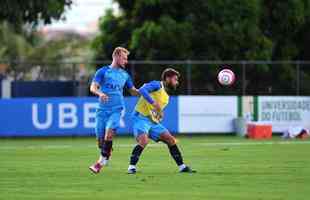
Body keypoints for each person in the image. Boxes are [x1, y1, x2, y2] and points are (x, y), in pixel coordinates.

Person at [127, 68, 196, 174]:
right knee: (144, 141)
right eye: (175, 79)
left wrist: (158, 114)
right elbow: (142, 90)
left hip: (152, 121)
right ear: (167, 78)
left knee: (171, 140)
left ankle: (182, 167)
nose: (176, 82)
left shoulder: (166, 96)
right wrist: (154, 103)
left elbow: (156, 109)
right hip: (140, 117)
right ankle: (131, 167)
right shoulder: (157, 85)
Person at [89, 47, 139, 174]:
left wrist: (145, 92)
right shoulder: (103, 71)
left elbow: (133, 91)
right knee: (101, 142)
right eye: (124, 58)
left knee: (109, 133)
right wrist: (100, 93)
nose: (126, 61)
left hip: (117, 109)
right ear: (116, 56)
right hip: (102, 110)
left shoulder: (125, 75)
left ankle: (100, 163)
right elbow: (93, 87)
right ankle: (107, 152)